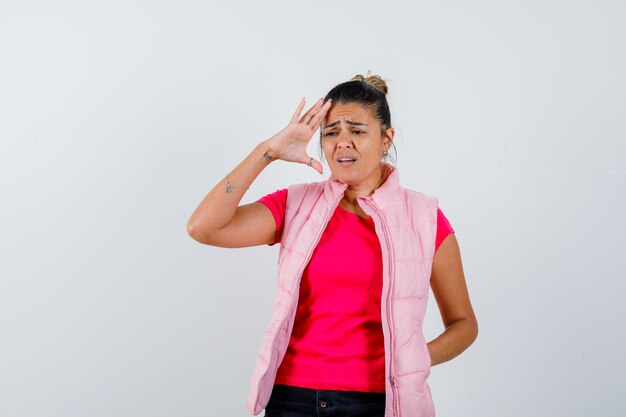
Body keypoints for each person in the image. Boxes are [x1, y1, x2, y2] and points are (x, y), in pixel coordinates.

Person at [187, 73, 478, 417]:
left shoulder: (424, 218)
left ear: (387, 139)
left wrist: (413, 359)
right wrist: (269, 151)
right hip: (292, 397)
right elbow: (204, 227)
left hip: (382, 400)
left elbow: (463, 323)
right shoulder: (296, 206)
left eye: (356, 131)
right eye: (331, 132)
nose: (342, 142)